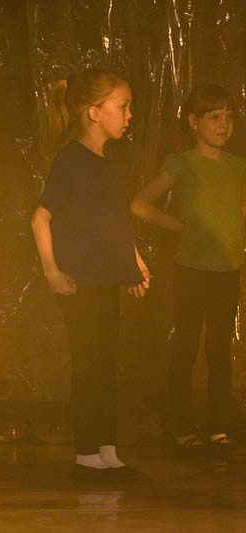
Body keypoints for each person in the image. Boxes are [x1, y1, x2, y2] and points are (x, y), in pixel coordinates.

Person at [31, 68, 150, 480]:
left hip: (104, 281)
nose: (129, 115)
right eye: (123, 107)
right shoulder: (71, 160)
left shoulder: (106, 165)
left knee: (105, 364)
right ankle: (87, 453)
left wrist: (135, 262)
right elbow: (40, 218)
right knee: (88, 363)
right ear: (94, 112)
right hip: (79, 283)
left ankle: (107, 450)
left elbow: (113, 222)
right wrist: (52, 272)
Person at [131, 84, 246, 454]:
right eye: (215, 117)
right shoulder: (181, 163)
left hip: (227, 268)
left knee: (219, 348)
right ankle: (179, 424)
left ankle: (218, 425)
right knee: (186, 345)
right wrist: (181, 226)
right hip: (192, 269)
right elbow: (140, 205)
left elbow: (239, 210)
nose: (224, 124)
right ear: (194, 122)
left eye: (229, 117)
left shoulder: (238, 166)